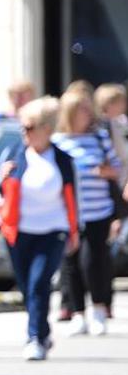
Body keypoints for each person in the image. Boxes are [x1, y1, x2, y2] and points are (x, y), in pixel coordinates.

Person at [0, 97, 80, 359]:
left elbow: (74, 197)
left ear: (46, 128)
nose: (25, 133)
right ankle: (43, 332)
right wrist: (2, 178)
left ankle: (33, 337)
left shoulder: (63, 160)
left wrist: (75, 231)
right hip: (19, 230)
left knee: (38, 283)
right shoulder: (15, 154)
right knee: (27, 286)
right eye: (23, 127)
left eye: (30, 127)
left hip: (53, 230)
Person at [54, 89, 121, 335]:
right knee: (71, 263)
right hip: (68, 212)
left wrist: (101, 171)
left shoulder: (99, 138)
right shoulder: (58, 141)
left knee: (93, 260)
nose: (87, 113)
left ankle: (99, 309)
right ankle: (77, 312)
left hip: (98, 210)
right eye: (81, 109)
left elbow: (117, 168)